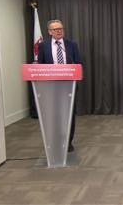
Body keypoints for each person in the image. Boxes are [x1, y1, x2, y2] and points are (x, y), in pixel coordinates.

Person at [38, 19, 82, 152]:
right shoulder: (43, 46)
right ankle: (55, 140)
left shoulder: (71, 45)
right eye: (56, 29)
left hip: (69, 86)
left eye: (61, 28)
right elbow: (40, 65)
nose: (59, 31)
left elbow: (78, 63)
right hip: (50, 86)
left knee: (68, 114)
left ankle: (68, 141)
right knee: (53, 114)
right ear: (50, 32)